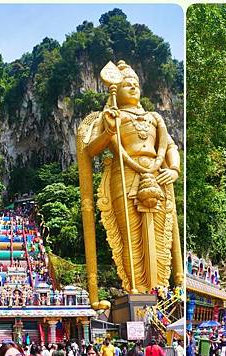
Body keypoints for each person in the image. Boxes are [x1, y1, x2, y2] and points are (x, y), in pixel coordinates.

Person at [80, 60, 183, 293]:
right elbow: (91, 149)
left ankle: (160, 288)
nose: (133, 87)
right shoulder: (111, 117)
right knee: (130, 234)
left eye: (136, 83)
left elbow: (170, 146)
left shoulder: (155, 117)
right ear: (116, 89)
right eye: (127, 84)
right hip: (124, 175)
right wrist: (108, 130)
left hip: (157, 175)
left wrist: (174, 169)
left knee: (159, 235)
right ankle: (134, 288)